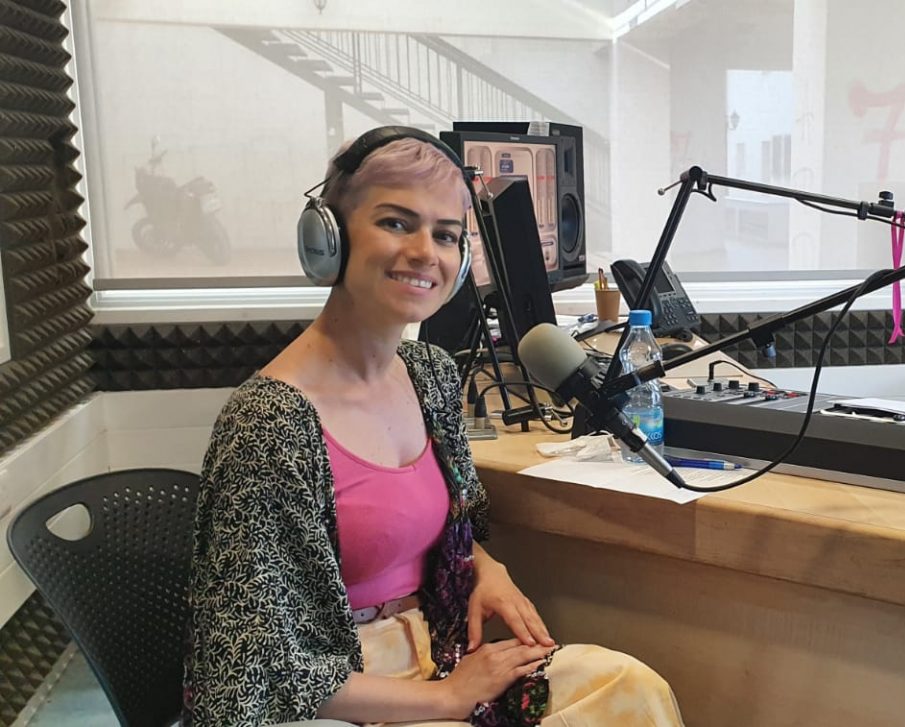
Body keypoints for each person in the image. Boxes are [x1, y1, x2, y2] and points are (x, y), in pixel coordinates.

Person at [183, 127, 683, 726]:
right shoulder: (269, 422)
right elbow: (256, 671)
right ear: (329, 238)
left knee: (628, 686)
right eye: (396, 223)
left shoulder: (429, 374)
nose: (426, 252)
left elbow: (455, 530)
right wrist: (447, 699)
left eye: (445, 235)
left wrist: (486, 568)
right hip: (334, 701)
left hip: (437, 659)